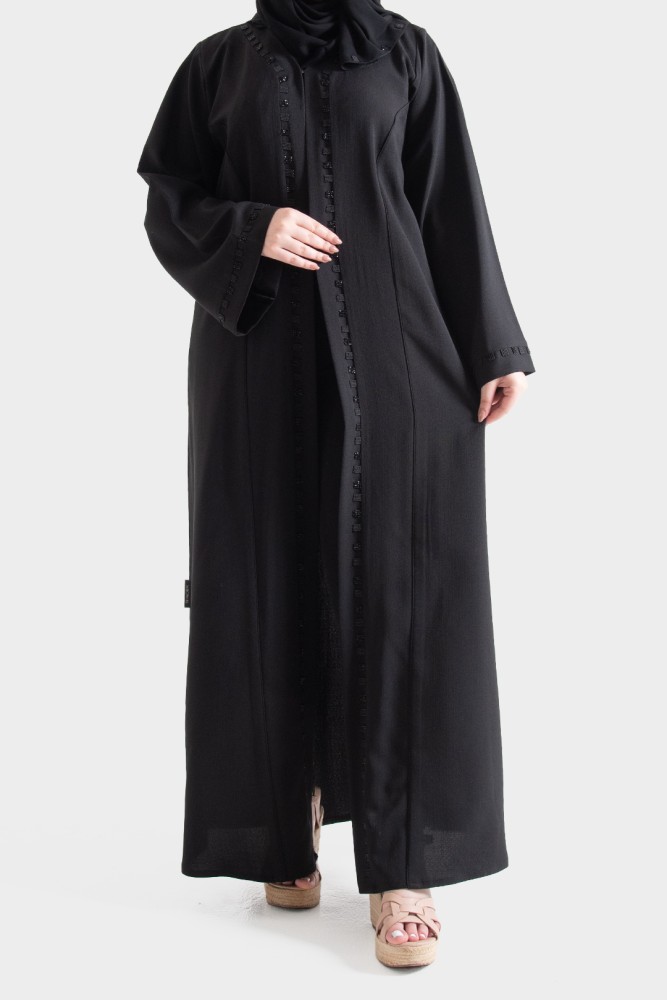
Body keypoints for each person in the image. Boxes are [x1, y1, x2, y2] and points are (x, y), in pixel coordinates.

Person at [137, 0, 535, 970]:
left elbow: (448, 201)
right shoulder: (219, 64)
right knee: (270, 577)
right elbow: (168, 197)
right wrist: (252, 228)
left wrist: (491, 346)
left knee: (402, 593)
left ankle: (404, 870)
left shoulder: (406, 55)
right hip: (256, 360)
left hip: (402, 361)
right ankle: (287, 821)